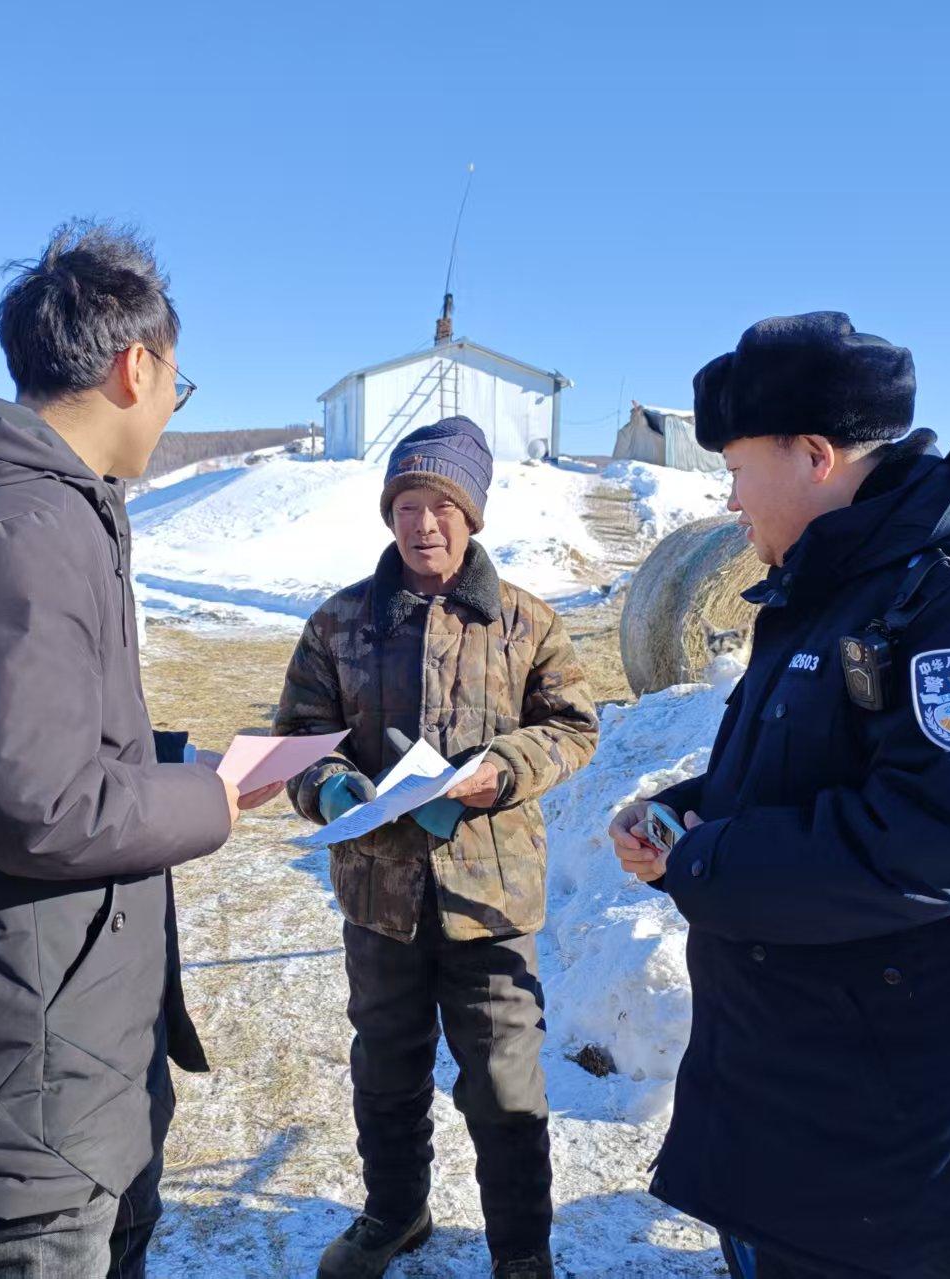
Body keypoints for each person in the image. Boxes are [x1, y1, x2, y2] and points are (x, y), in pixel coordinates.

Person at [0, 220, 281, 1277]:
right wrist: (210, 801)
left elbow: (23, 735)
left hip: (60, 1015)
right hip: (30, 1034)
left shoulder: (17, 503)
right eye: (177, 383)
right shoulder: (26, 524)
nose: (171, 408)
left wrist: (173, 762)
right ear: (136, 367)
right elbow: (33, 800)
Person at [608, 313, 950, 1279]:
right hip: (828, 1119)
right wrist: (691, 807)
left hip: (911, 1151)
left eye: (738, 469)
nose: (731, 499)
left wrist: (708, 858)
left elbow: (949, 834)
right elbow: (824, 765)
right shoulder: (839, 584)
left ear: (815, 455)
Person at [274, 417, 599, 1279]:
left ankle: (521, 1249)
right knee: (386, 1068)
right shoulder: (339, 622)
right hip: (379, 894)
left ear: (473, 513)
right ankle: (395, 1211)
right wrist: (330, 785)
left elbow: (573, 726)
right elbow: (300, 734)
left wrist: (505, 767)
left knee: (504, 1083)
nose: (423, 523)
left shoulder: (526, 621)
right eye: (407, 505)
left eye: (442, 505)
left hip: (490, 897)